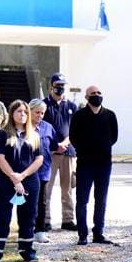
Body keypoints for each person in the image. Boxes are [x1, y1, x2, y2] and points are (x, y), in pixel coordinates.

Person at [0, 101, 44, 262]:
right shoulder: (2, 134)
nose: (23, 114)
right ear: (11, 114)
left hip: (29, 180)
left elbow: (39, 159)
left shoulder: (34, 135)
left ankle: (27, 250)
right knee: (2, 216)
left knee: (28, 217)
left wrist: (23, 176)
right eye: (19, 111)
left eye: (25, 112)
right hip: (5, 180)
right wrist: (14, 177)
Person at [69, 85, 119, 246]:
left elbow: (114, 137)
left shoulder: (110, 115)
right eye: (93, 93)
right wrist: (85, 150)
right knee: (82, 200)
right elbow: (73, 137)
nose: (96, 95)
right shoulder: (79, 116)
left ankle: (98, 233)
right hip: (85, 164)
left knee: (101, 199)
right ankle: (82, 234)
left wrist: (102, 148)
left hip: (104, 164)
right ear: (86, 97)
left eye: (99, 93)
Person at [42, 73, 78, 232]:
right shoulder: (44, 105)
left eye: (63, 85)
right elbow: (40, 129)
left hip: (68, 151)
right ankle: (45, 219)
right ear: (51, 86)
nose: (60, 88)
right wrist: (55, 146)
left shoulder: (71, 106)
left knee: (67, 188)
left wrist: (64, 143)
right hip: (49, 153)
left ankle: (68, 219)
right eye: (57, 85)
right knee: (46, 188)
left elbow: (75, 129)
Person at [28, 99, 55, 244]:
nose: (40, 115)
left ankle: (40, 231)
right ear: (30, 111)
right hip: (25, 171)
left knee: (41, 202)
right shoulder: (23, 126)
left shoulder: (48, 127)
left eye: (42, 113)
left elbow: (54, 145)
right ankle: (26, 230)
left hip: (43, 171)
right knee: (25, 202)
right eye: (37, 112)